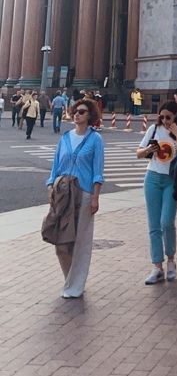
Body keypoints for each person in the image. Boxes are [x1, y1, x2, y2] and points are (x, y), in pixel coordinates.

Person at [46, 98, 105, 298]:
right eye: (75, 111)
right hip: (63, 193)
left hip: (85, 193)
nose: (77, 115)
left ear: (90, 116)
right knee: (61, 244)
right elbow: (55, 166)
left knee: (81, 242)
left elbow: (98, 171)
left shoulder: (95, 139)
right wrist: (50, 186)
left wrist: (96, 197)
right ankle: (71, 280)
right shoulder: (65, 138)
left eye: (82, 112)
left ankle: (75, 285)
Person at [137, 100, 177, 285]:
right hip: (152, 177)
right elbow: (138, 153)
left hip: (172, 180)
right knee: (154, 225)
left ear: (176, 116)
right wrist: (148, 149)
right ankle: (157, 266)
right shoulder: (154, 130)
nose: (165, 120)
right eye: (162, 116)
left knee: (167, 221)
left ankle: (171, 261)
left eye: (168, 117)